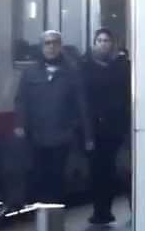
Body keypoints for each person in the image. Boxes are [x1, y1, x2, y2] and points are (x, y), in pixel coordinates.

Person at [14, 31, 91, 204]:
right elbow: (21, 100)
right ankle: (41, 213)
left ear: (61, 47)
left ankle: (54, 213)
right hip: (36, 135)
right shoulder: (30, 72)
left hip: (61, 136)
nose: (51, 47)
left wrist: (86, 135)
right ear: (41, 47)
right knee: (37, 176)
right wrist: (20, 124)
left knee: (57, 178)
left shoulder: (72, 72)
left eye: (55, 43)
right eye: (47, 43)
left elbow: (81, 104)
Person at [83, 28, 130, 225]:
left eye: (106, 40)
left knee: (114, 169)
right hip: (93, 128)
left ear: (112, 44)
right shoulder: (84, 66)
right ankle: (100, 211)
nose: (103, 44)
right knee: (97, 170)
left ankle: (107, 209)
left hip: (115, 127)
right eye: (100, 40)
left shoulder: (121, 66)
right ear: (94, 43)